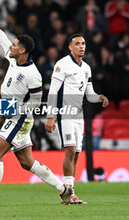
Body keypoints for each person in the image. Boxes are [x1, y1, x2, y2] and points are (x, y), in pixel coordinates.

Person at [0, 9, 72, 207]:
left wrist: (15, 111)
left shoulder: (33, 75)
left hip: (20, 119)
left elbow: (36, 102)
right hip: (13, 116)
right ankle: (63, 189)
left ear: (23, 50)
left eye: (15, 45)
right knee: (27, 163)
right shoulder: (13, 57)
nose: (11, 46)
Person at [45, 34, 109, 204]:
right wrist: (50, 116)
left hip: (78, 115)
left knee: (77, 154)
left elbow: (90, 94)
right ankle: (67, 192)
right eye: (77, 44)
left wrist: (99, 97)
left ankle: (70, 192)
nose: (81, 46)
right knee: (70, 150)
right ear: (70, 47)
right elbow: (52, 91)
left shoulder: (86, 68)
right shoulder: (62, 65)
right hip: (63, 112)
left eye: (83, 44)